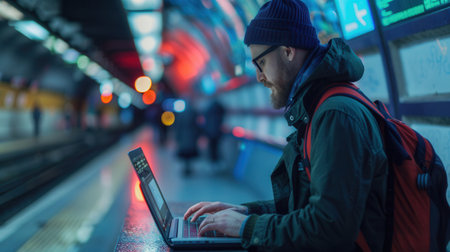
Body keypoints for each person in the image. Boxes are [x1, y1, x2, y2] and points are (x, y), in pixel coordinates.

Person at [183, 0, 389, 251]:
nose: (259, 76)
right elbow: (307, 207)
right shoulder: (315, 108)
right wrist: (246, 212)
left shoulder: (336, 115)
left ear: (288, 52)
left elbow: (329, 228)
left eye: (261, 63)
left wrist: (247, 227)